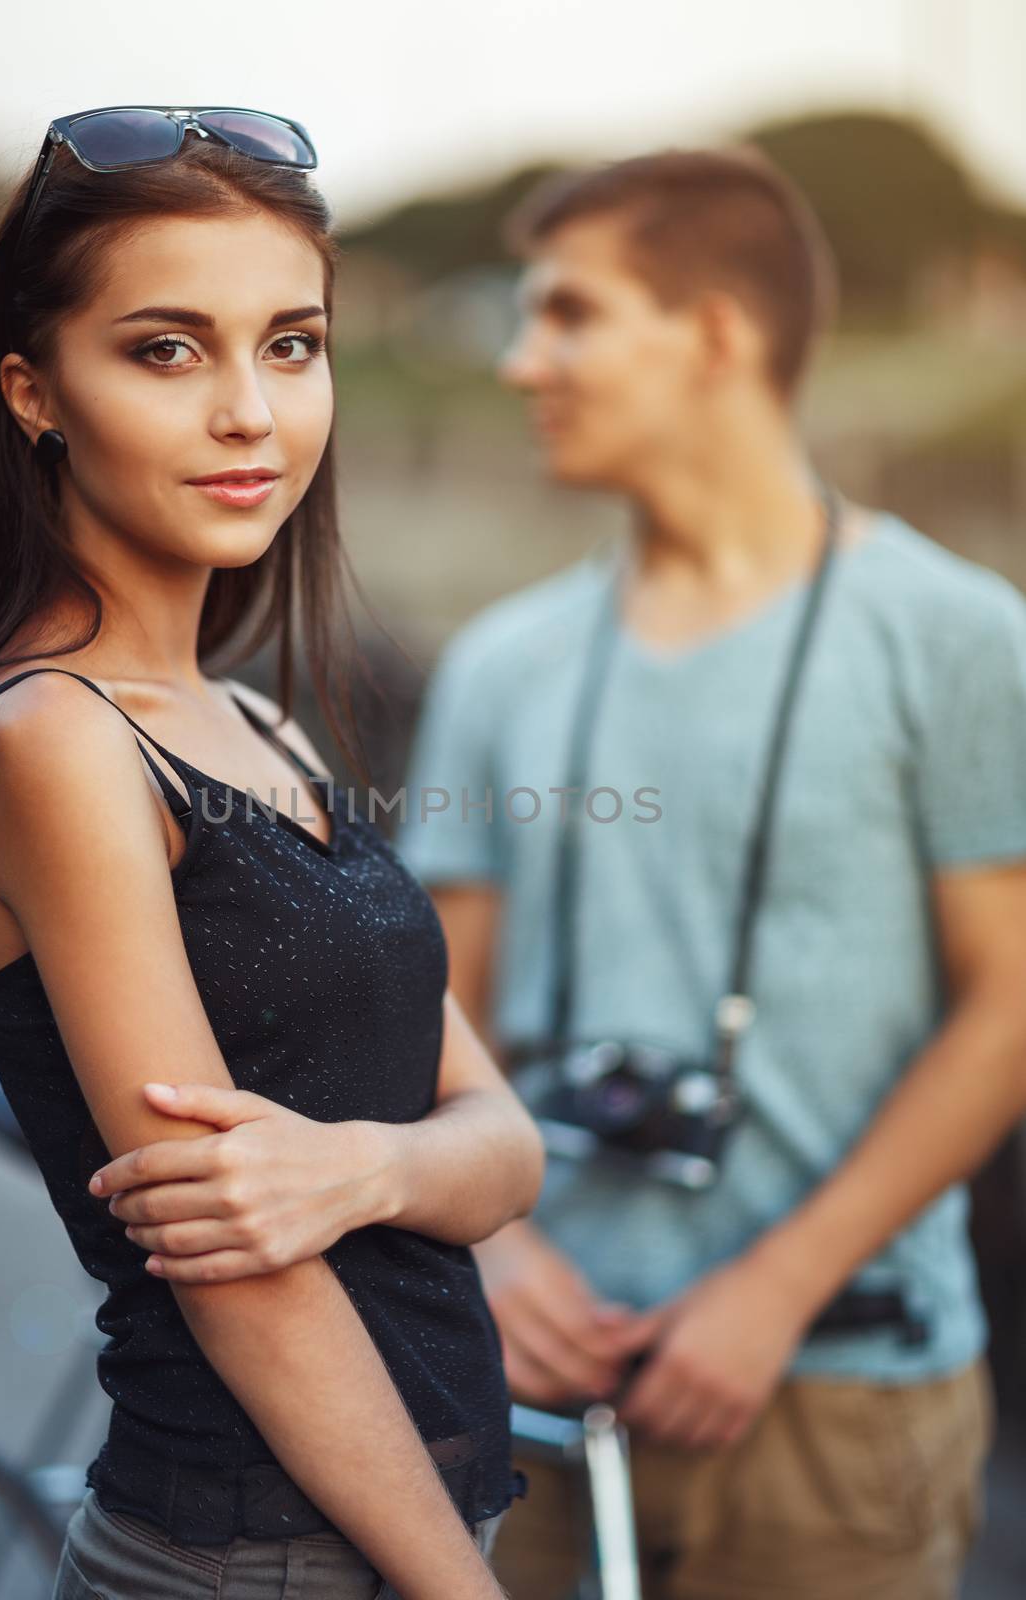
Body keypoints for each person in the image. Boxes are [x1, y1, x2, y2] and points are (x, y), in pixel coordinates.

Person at [0, 105, 543, 1600]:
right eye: (166, 349)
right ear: (33, 389)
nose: (251, 411)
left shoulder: (261, 722)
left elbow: (502, 1151)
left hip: (418, 1522)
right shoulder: (56, 739)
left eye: (292, 344)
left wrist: (362, 1169)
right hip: (253, 1558)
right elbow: (246, 1285)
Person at [395, 146, 1026, 1599]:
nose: (516, 362)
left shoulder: (955, 637)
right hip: (528, 1381)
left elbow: (1006, 1014)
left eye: (566, 315)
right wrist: (491, 1251)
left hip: (839, 1389)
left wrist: (772, 1290)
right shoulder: (502, 663)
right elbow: (436, 1003)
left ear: (716, 336)